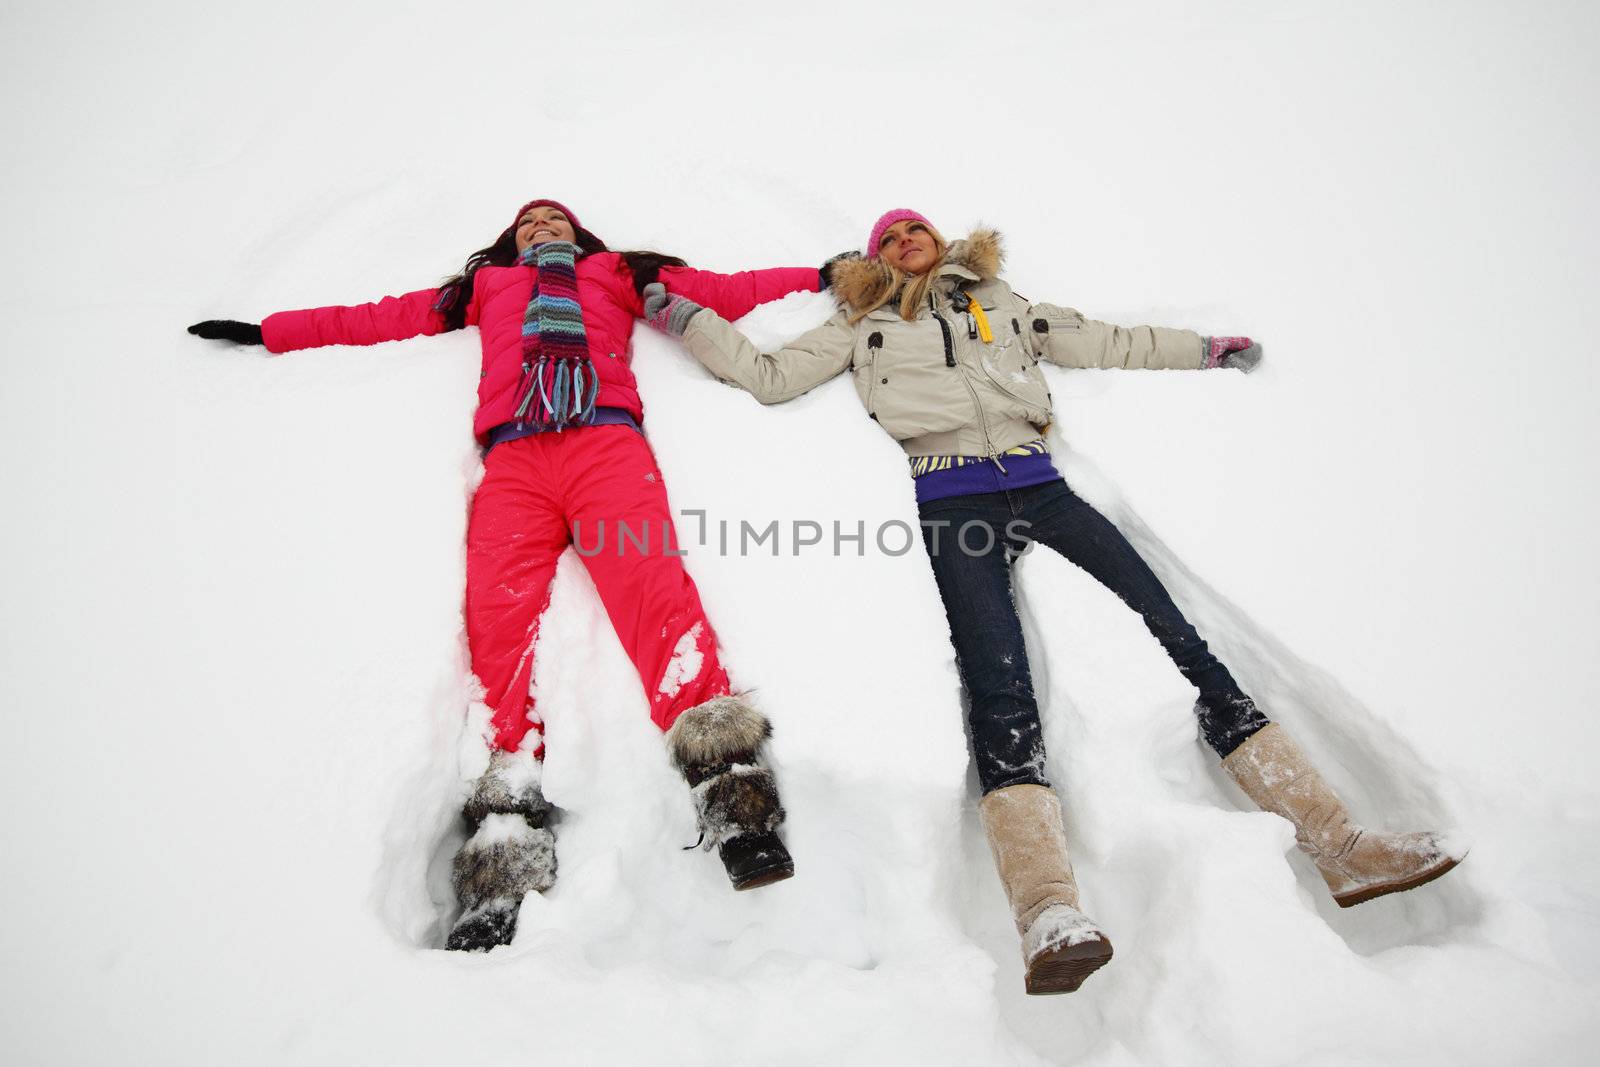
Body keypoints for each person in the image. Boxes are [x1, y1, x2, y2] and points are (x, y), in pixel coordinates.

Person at [639, 208, 1464, 995]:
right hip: (951, 503)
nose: (904, 239)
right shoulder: (866, 323)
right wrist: (679, 315)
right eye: (887, 237)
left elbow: (1107, 339)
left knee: (1180, 630)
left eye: (914, 227)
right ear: (874, 259)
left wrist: (1207, 348)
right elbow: (771, 375)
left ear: (941, 239)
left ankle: (1340, 842)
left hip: (1044, 488)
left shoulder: (1002, 304)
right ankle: (1047, 912)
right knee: (999, 684)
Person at [188, 198, 819, 951]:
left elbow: (724, 289)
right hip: (516, 458)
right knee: (497, 630)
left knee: (657, 602)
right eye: (528, 223)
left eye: (553, 220)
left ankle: (738, 805)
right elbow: (382, 316)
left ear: (577, 233)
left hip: (604, 448)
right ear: (509, 240)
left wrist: (820, 273)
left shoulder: (615, 272)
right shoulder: (486, 289)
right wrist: (270, 332)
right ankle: (501, 857)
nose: (541, 228)